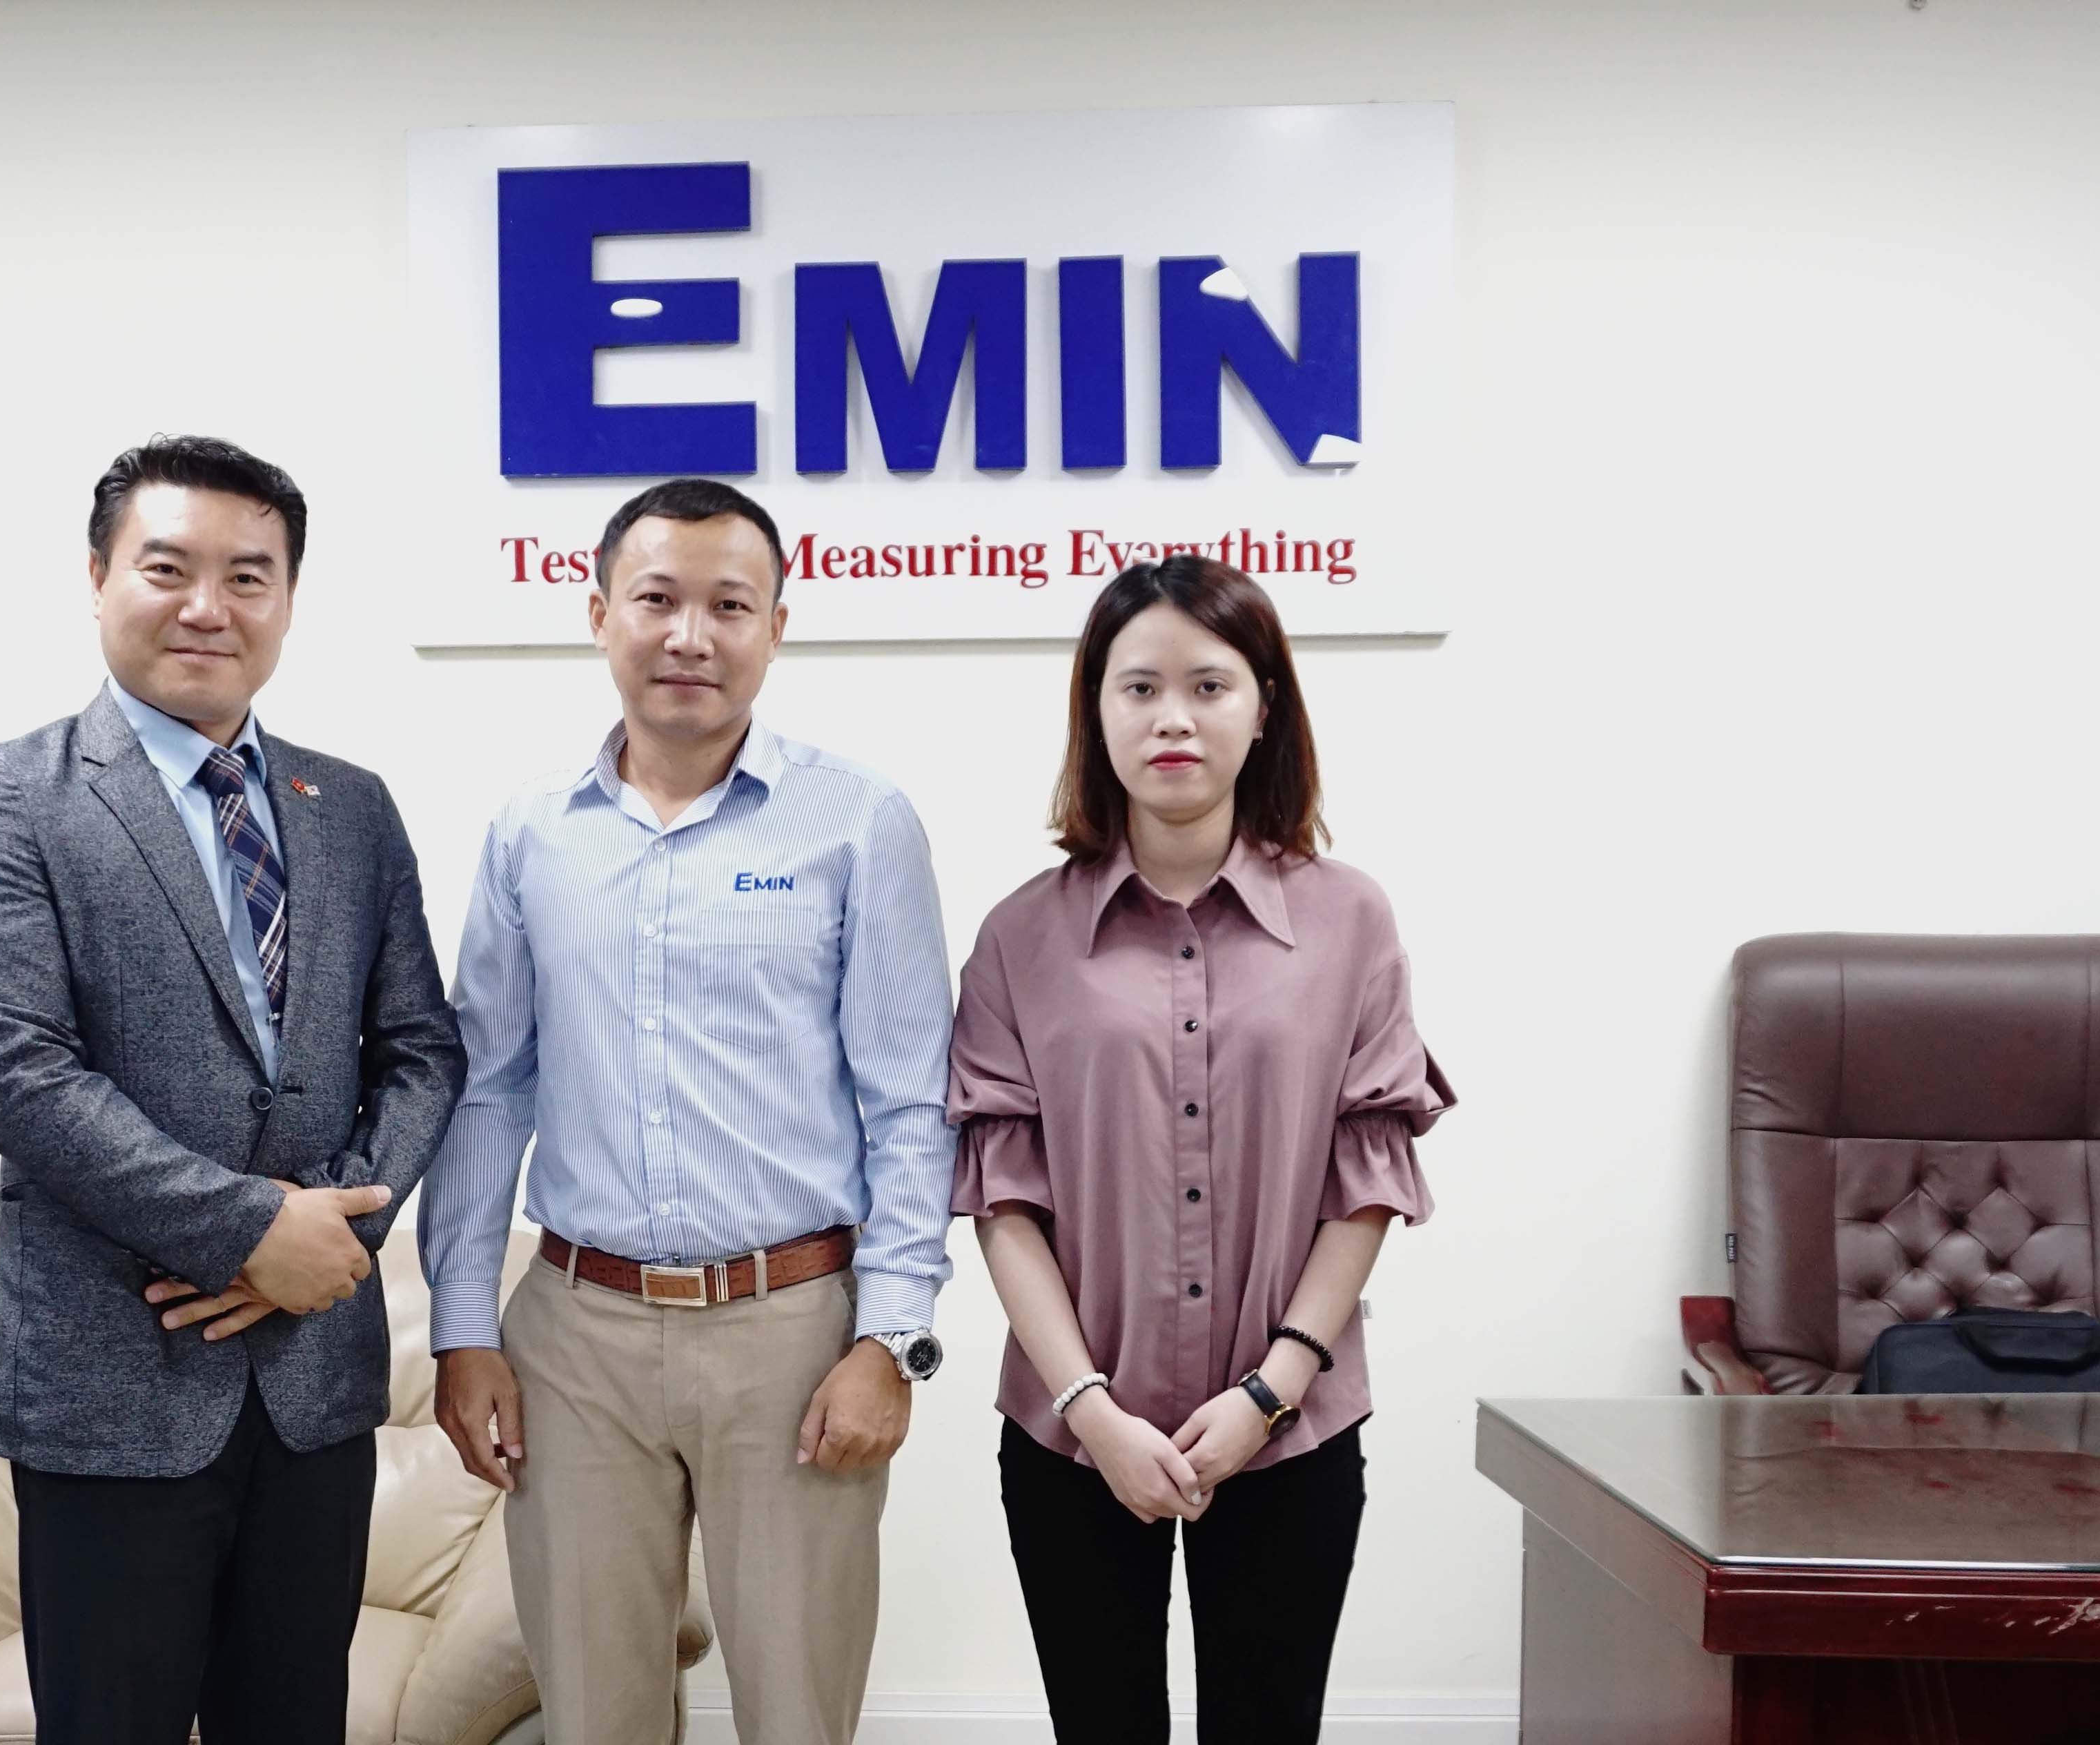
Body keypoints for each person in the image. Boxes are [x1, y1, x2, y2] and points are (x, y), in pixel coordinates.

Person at [0, 435, 465, 1744]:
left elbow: (421, 1049)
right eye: (168, 569)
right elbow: (20, 1076)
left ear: (288, 599)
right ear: (99, 577)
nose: (208, 607)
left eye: (248, 576)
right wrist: (248, 1231)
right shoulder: (9, 798)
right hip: (111, 1382)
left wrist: (331, 1233)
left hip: (312, 1383)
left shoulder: (350, 806)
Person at [417, 478, 955, 1745]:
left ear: (778, 625)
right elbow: (488, 1089)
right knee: (594, 1716)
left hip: (794, 1332)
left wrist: (892, 1339)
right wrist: (461, 1330)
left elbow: (912, 1106)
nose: (690, 636)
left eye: (730, 606)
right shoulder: (531, 834)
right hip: (576, 1333)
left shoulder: (857, 822)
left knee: (797, 1713)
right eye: (657, 599)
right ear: (599, 612)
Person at [951, 554, 1450, 1745]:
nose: (1172, 717)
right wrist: (1092, 1412)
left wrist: (1270, 1392)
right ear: (1097, 712)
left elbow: (1366, 1180)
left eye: (1209, 685)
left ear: (1263, 706)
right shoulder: (1020, 936)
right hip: (1075, 1437)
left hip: (1291, 1430)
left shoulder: (1350, 919)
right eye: (1139, 688)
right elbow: (1002, 1201)